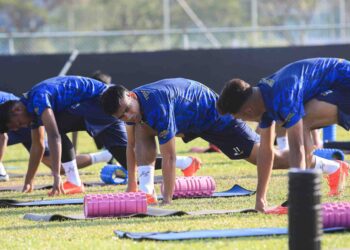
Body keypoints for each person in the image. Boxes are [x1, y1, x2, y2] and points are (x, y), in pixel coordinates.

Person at [100, 78, 294, 205]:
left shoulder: (157, 106)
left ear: (131, 96)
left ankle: (317, 162)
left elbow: (169, 157)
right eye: (121, 116)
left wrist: (167, 200)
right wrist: (131, 186)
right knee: (141, 127)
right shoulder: (134, 108)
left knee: (267, 159)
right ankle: (145, 191)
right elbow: (131, 146)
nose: (127, 116)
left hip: (214, 117)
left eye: (127, 109)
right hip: (189, 121)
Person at [217, 57, 350, 212]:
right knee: (303, 124)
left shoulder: (283, 95)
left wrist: (296, 197)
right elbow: (265, 153)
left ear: (248, 111)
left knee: (303, 122)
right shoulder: (262, 98)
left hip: (345, 85)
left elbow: (296, 146)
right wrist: (260, 198)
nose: (242, 121)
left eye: (240, 118)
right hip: (336, 85)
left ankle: (302, 194)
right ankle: (332, 172)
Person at [0, 76, 128, 195]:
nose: (23, 126)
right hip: (93, 104)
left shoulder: (38, 99)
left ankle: (75, 181)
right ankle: (75, 182)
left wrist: (56, 175)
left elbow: (54, 136)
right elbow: (38, 145)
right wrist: (29, 180)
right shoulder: (30, 109)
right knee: (126, 156)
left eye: (18, 123)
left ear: (17, 110)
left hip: (101, 101)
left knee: (55, 126)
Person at [0, 90, 114, 183]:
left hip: (20, 118)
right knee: (59, 168)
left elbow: (3, 137)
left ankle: (107, 155)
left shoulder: (22, 114)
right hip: (16, 119)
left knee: (58, 166)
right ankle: (106, 155)